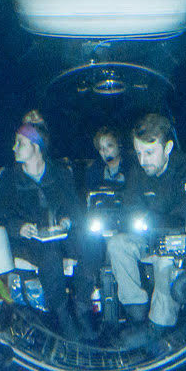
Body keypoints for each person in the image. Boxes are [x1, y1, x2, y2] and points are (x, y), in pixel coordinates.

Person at [0, 110, 79, 328]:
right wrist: (19, 227)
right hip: (28, 242)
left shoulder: (61, 172)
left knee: (91, 244)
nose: (15, 147)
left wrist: (66, 221)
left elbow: (74, 208)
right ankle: (62, 318)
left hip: (59, 237)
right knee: (50, 256)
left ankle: (86, 310)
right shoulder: (7, 178)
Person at [107, 111, 186, 329]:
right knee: (117, 245)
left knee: (165, 260)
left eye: (149, 153)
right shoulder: (138, 171)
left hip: (178, 243)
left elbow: (184, 215)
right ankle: (136, 312)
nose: (143, 161)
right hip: (147, 237)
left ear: (168, 148)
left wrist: (151, 220)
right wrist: (146, 223)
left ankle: (159, 326)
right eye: (138, 153)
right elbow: (130, 208)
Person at [68, 124, 130, 324]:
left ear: (119, 145)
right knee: (89, 250)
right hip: (101, 223)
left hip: (125, 223)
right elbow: (88, 198)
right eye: (102, 149)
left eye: (109, 146)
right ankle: (84, 305)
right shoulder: (94, 170)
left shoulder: (133, 168)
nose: (106, 153)